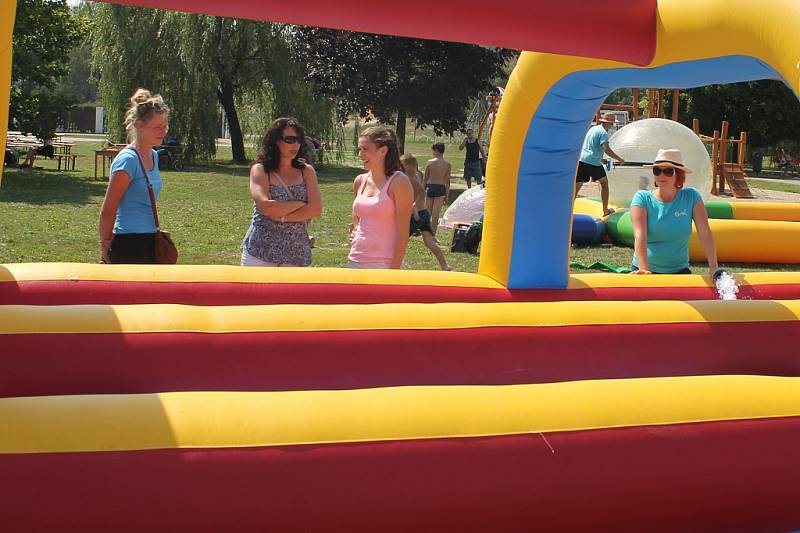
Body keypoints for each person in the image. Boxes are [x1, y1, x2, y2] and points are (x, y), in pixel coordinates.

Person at [98, 88, 170, 264]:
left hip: (151, 240)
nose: (163, 131)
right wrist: (105, 246)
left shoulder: (153, 155)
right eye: (157, 127)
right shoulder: (127, 160)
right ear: (139, 124)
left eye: (165, 126)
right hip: (128, 243)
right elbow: (108, 210)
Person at [241, 117, 322, 267]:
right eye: (290, 139)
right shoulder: (260, 170)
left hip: (297, 254)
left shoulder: (307, 171)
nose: (296, 144)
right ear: (276, 141)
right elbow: (266, 207)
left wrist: (281, 217)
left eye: (299, 140)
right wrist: (300, 203)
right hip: (260, 252)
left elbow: (316, 209)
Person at [630, 148, 719, 275]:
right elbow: (640, 235)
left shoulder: (691, 197)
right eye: (657, 171)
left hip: (679, 271)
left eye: (668, 171)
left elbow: (704, 232)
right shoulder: (642, 198)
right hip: (646, 270)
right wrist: (644, 269)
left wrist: (714, 267)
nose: (661, 175)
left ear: (679, 174)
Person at [348, 126, 413, 269]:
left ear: (383, 151)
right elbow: (357, 216)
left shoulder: (399, 182)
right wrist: (355, 229)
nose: (360, 154)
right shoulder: (360, 181)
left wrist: (394, 270)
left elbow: (403, 231)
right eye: (359, 149)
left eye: (365, 149)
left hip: (384, 263)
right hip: (356, 259)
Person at [401, 153, 451, 271]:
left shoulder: (408, 177)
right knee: (429, 243)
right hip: (424, 214)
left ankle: (399, 263)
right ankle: (444, 265)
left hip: (415, 215)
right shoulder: (418, 174)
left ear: (408, 165)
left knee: (400, 240)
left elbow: (421, 192)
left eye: (402, 165)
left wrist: (413, 208)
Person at [575, 113, 625, 216]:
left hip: (582, 159)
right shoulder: (603, 133)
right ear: (610, 123)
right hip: (592, 161)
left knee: (577, 185)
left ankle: (567, 209)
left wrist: (601, 159)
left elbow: (591, 147)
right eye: (612, 123)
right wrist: (619, 159)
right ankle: (605, 211)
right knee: (604, 183)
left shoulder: (593, 129)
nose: (612, 126)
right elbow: (606, 149)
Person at [423, 142, 451, 235]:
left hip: (430, 186)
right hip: (440, 187)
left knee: (427, 213)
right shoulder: (447, 164)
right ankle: (433, 234)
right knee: (435, 214)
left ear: (436, 151)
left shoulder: (430, 162)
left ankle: (426, 233)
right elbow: (447, 182)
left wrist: (423, 191)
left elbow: (425, 179)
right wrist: (447, 195)